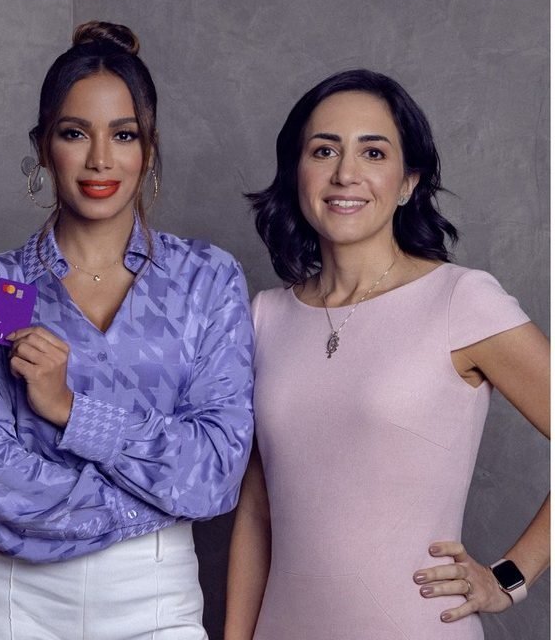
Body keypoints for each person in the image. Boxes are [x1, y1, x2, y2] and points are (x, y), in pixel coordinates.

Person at [0, 21, 255, 640]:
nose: (99, 159)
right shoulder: (5, 288)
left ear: (149, 148)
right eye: (74, 133)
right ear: (43, 147)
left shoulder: (206, 279)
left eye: (123, 134)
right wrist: (152, 504)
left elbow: (216, 471)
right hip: (16, 595)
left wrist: (70, 409)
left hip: (156, 593)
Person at [224, 69, 550, 640]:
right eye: (324, 150)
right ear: (297, 172)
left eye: (373, 152)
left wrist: (510, 576)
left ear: (407, 182)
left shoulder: (462, 300)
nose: (345, 173)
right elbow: (256, 510)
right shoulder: (264, 316)